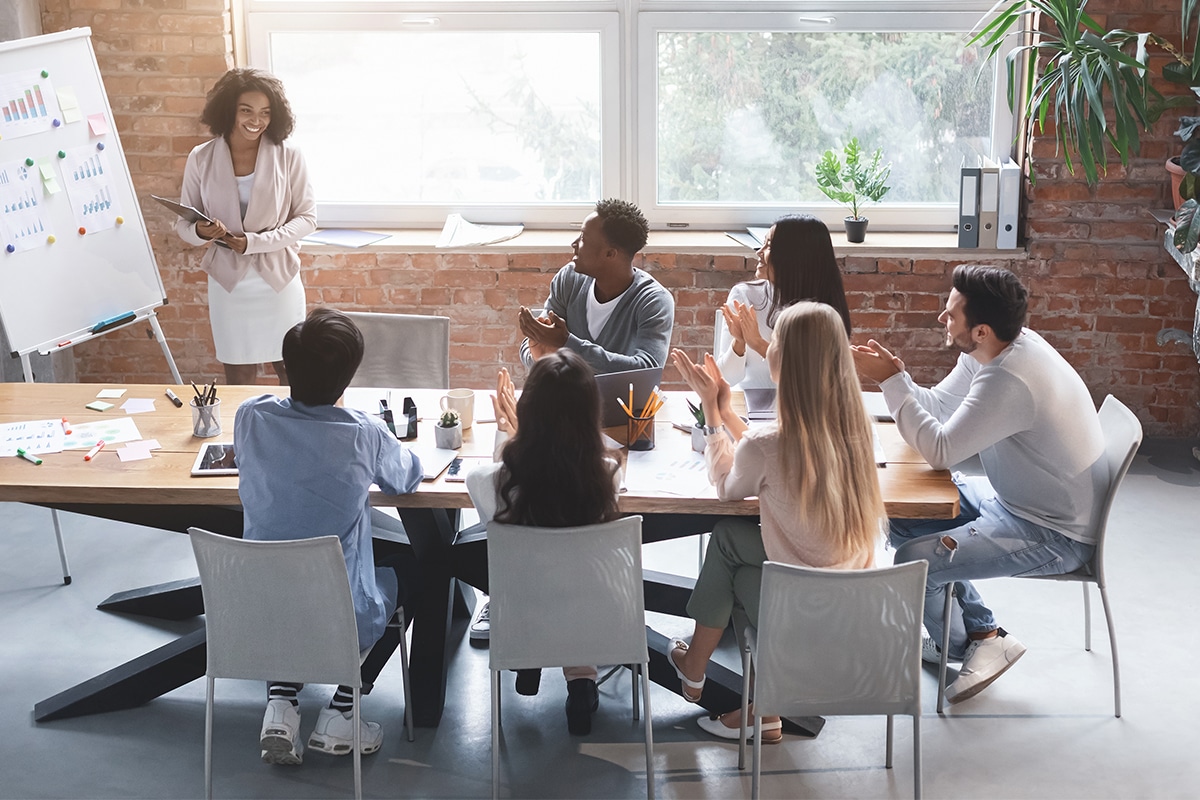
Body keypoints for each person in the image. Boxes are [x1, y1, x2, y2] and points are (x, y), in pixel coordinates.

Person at [852, 264, 1106, 704]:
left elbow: (940, 450)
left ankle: (957, 646)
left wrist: (890, 383)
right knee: (906, 517)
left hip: (1053, 532)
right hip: (1016, 501)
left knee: (915, 562)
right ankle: (985, 633)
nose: (941, 320)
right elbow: (939, 406)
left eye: (951, 315)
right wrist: (899, 377)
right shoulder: (996, 351)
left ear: (982, 330)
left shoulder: (1009, 380)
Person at [667, 302, 885, 742]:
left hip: (800, 605)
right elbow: (778, 455)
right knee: (733, 543)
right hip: (856, 606)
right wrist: (730, 414)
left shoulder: (772, 442)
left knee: (728, 543)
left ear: (785, 358)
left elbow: (728, 486)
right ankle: (758, 705)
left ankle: (711, 677)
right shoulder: (857, 428)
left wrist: (711, 412)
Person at [235, 307, 424, 765]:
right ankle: (343, 709)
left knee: (285, 574)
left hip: (253, 609)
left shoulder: (250, 417)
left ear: (283, 369)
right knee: (418, 570)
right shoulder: (365, 433)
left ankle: (281, 702)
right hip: (337, 614)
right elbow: (406, 479)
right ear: (348, 378)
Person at [464, 351, 622, 736]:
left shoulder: (488, 481)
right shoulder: (608, 474)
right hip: (598, 616)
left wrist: (511, 434)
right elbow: (593, 464)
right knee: (577, 580)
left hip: (523, 614)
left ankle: (534, 662)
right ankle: (582, 682)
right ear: (591, 415)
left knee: (538, 578)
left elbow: (488, 482)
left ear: (527, 407)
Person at [176, 67, 316, 386]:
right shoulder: (201, 157)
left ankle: (290, 434)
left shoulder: (289, 156)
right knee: (238, 374)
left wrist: (252, 242)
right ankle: (247, 434)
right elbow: (182, 225)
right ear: (228, 110)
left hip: (277, 279)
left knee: (291, 370)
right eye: (246, 111)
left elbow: (307, 218)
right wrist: (201, 232)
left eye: (265, 113)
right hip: (229, 283)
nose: (256, 121)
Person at [518, 198, 674, 374]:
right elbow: (535, 346)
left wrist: (567, 344)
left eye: (583, 237)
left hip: (623, 402)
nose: (574, 244)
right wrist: (539, 356)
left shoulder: (653, 301)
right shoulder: (568, 279)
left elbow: (647, 370)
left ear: (610, 254)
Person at [716, 214, 852, 389]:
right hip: (751, 407)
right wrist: (739, 343)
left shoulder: (822, 311)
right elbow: (725, 380)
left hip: (807, 409)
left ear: (796, 256)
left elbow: (814, 381)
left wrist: (758, 343)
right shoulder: (744, 296)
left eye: (769, 246)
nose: (759, 252)